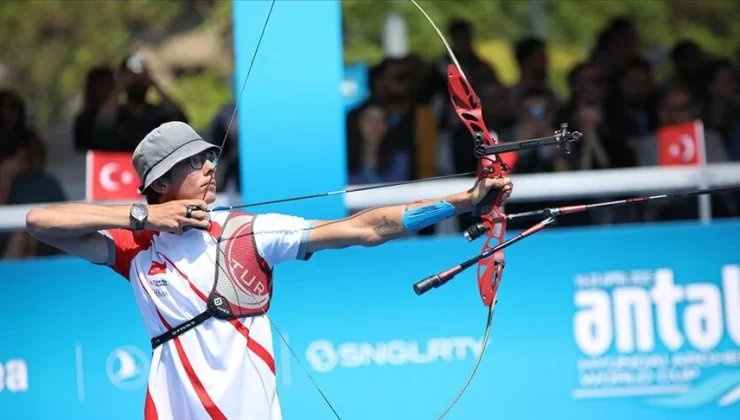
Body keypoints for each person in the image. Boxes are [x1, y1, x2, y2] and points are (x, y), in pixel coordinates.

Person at [25, 121, 513, 420]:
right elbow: (40, 223)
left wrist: (463, 201)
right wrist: (142, 217)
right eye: (192, 162)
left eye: (208, 156)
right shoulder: (137, 247)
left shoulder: (248, 232)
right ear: (161, 184)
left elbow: (367, 228)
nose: (209, 166)